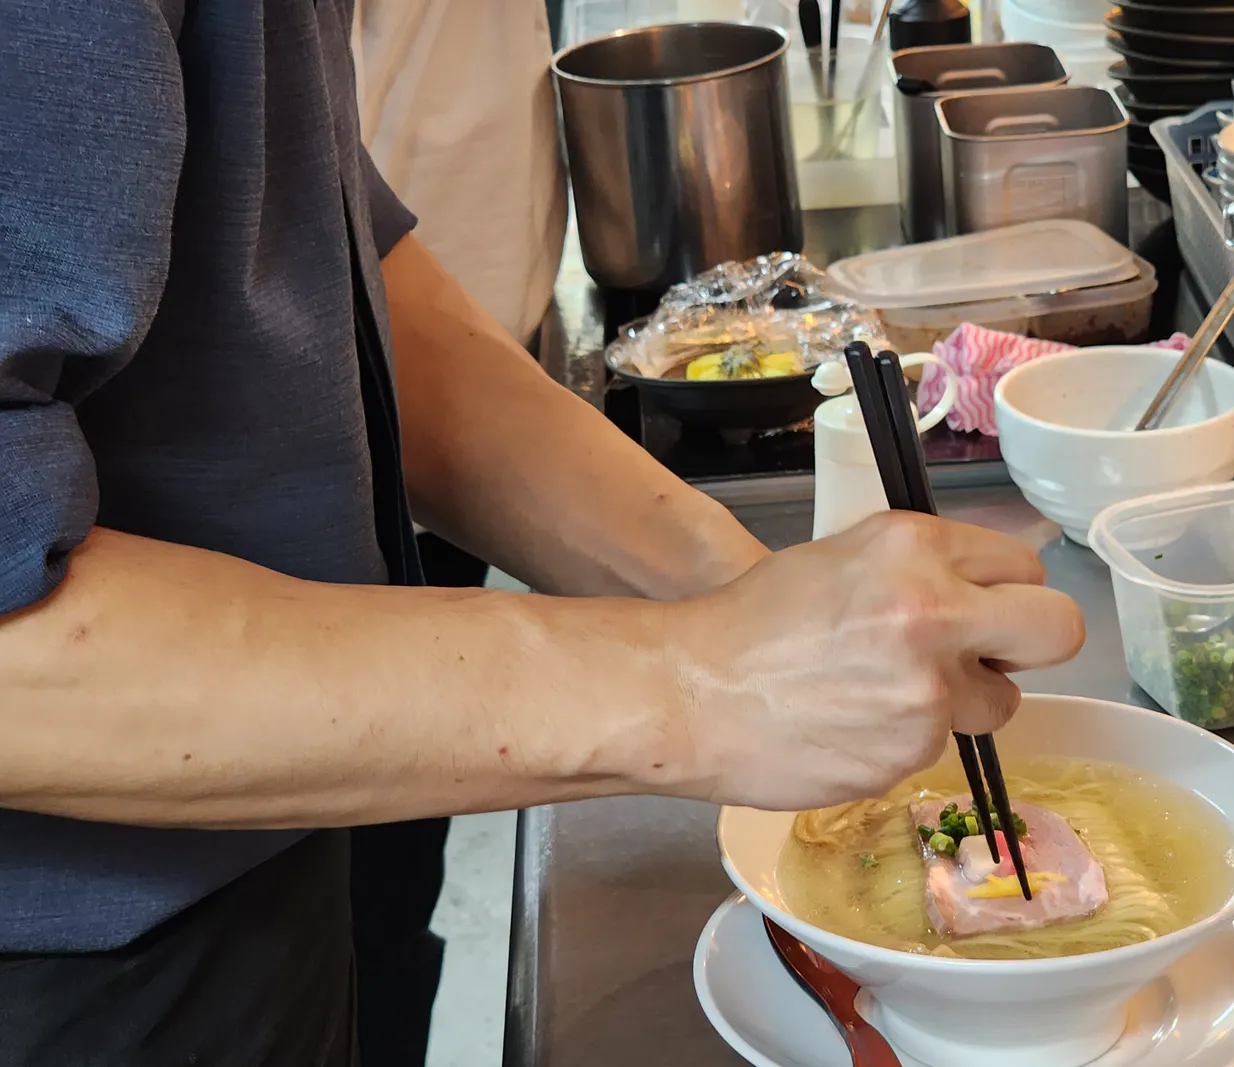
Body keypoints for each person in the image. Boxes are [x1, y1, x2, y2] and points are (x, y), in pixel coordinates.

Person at [0, 3, 1086, 1065]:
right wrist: (705, 680)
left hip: (277, 810)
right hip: (71, 957)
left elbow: (320, 266)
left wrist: (749, 591)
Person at [349, 3, 570, 1061]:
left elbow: (330, 233)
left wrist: (737, 582)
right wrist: (690, 681)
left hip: (452, 358)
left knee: (387, 910)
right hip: (101, 927)